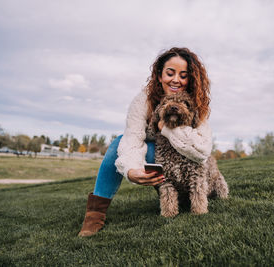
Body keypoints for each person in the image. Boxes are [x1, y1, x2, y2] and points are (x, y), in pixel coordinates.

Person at [78, 47, 213, 237]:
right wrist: (131, 170)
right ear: (159, 75)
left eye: (183, 75)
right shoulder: (142, 101)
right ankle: (94, 215)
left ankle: (187, 198)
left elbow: (202, 151)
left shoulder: (197, 102)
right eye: (170, 73)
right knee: (118, 143)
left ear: (190, 78)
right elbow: (132, 139)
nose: (176, 80)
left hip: (189, 158)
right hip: (158, 155)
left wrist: (164, 128)